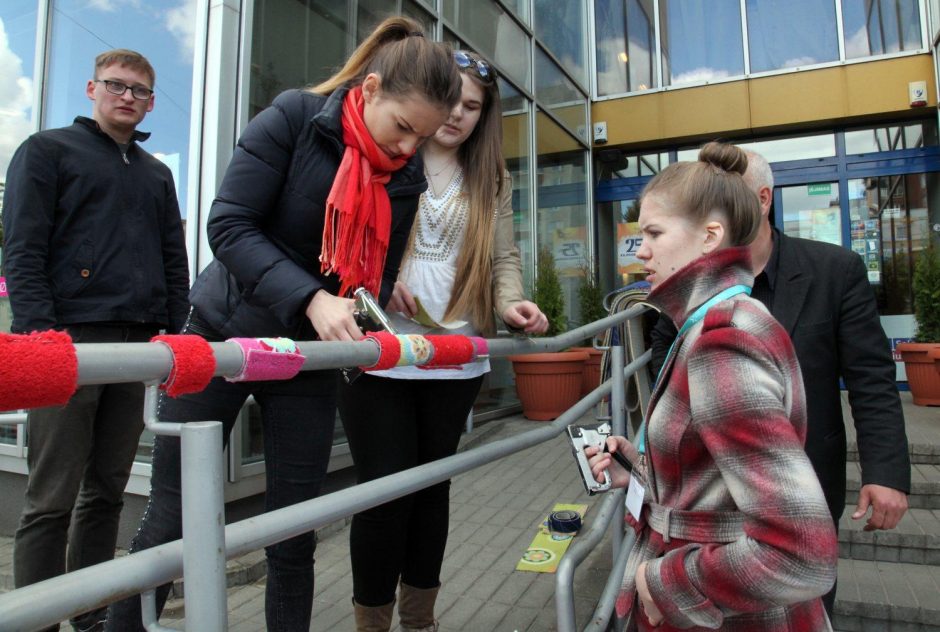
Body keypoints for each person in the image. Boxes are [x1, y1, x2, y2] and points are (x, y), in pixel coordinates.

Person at [105, 18, 461, 632]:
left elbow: (365, 278)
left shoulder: (404, 177)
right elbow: (230, 226)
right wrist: (311, 299)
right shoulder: (294, 118)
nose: (406, 150)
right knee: (169, 517)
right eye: (402, 128)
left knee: (293, 530)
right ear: (371, 88)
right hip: (221, 332)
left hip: (308, 360)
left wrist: (367, 304)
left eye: (421, 139)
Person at [336, 50, 548, 632]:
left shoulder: (493, 180)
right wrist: (380, 282)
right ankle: (371, 623)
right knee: (383, 495)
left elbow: (503, 257)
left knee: (431, 491)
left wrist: (511, 304)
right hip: (379, 350)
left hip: (454, 357)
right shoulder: (388, 156)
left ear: (484, 116)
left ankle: (420, 621)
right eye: (450, 99)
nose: (457, 114)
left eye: (472, 106)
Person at [587, 142, 837, 631]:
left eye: (654, 232)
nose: (640, 251)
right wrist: (640, 470)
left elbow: (801, 553)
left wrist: (666, 583)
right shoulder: (717, 323)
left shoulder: (722, 342)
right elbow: (716, 482)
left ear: (710, 236)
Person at [649, 148, 911, 615]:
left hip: (804, 479)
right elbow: (669, 382)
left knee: (799, 602)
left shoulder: (834, 271)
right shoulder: (688, 298)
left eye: (732, 190)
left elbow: (871, 379)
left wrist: (885, 472)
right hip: (713, 509)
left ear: (762, 199)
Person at [1, 49, 190, 632]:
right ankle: (36, 621)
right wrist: (40, 339)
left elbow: (173, 260)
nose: (127, 96)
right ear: (91, 89)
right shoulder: (47, 151)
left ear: (151, 101)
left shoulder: (157, 173)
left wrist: (171, 330)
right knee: (50, 497)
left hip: (135, 349)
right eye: (117, 85)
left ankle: (90, 616)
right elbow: (23, 249)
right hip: (68, 346)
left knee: (107, 490)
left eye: (140, 90)